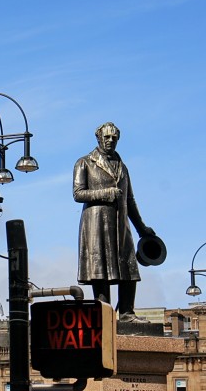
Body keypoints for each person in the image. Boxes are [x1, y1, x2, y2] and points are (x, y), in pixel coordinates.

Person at [73, 122, 155, 323]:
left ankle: (127, 313)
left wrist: (142, 228)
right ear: (98, 138)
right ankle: (104, 314)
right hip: (96, 223)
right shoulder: (84, 162)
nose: (110, 141)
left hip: (120, 223)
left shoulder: (122, 167)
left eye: (114, 138)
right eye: (106, 137)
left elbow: (130, 199)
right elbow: (78, 193)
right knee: (99, 268)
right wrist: (107, 193)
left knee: (128, 267)